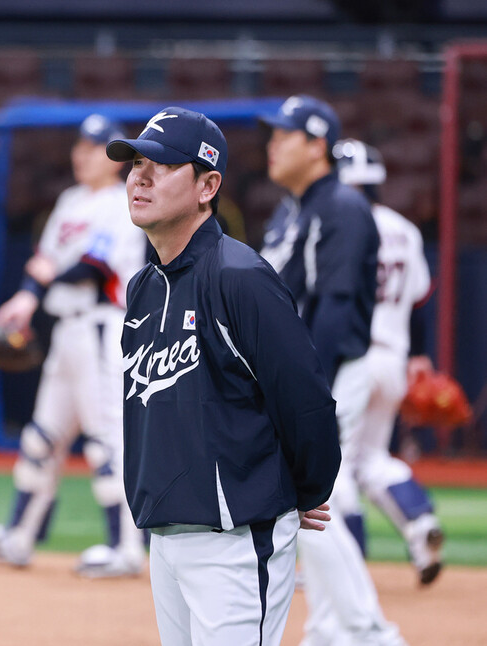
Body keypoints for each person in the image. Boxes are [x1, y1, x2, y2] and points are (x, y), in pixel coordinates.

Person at [108, 106, 338, 646]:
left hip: (234, 539)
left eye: (161, 165)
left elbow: (305, 399)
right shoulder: (143, 288)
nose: (139, 176)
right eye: (135, 162)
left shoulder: (240, 277)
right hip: (166, 536)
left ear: (208, 185)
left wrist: (302, 489)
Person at [0, 114, 149, 578]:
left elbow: (92, 267)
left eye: (94, 148)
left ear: (114, 160)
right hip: (66, 331)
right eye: (80, 146)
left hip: (101, 329)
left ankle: (126, 548)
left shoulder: (120, 202)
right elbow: (44, 262)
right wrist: (26, 298)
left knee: (107, 442)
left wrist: (42, 285)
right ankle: (19, 538)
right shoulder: (70, 202)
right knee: (41, 439)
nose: (82, 154)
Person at [259, 96, 407, 646]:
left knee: (305, 502)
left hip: (329, 372)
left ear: (317, 145)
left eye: (284, 135)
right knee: (306, 503)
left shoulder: (341, 207)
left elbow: (337, 306)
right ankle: (330, 628)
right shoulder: (292, 209)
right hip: (300, 375)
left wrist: (305, 385)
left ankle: (368, 631)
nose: (272, 144)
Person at [333, 138, 444, 584]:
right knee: (372, 459)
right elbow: (419, 299)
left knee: (333, 462)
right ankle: (419, 525)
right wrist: (418, 355)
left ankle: (348, 564)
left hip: (352, 360)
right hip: (393, 359)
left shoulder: (340, 223)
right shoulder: (405, 228)